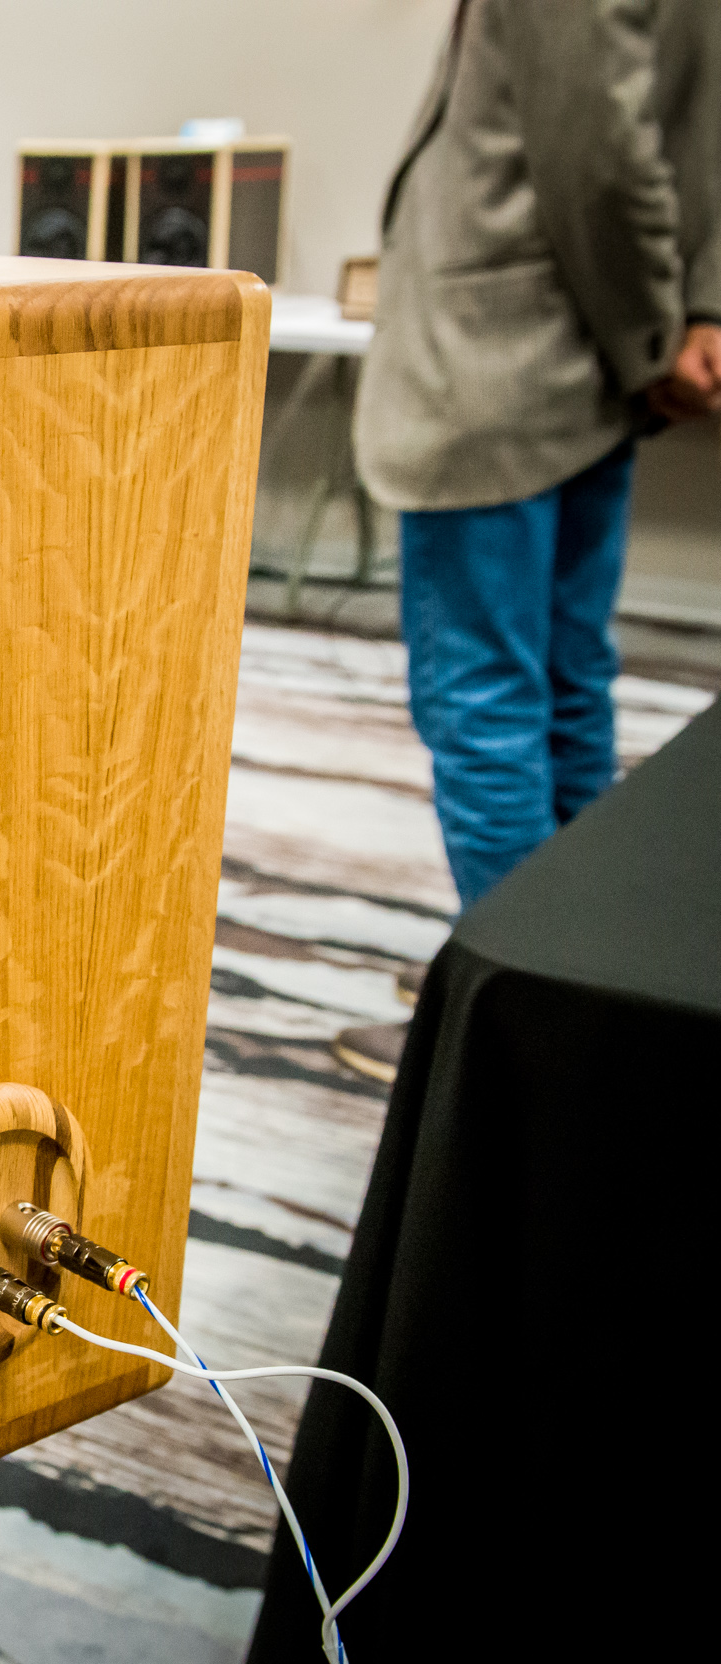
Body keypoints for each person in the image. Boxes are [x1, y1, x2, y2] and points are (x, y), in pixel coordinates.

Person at [331, 0, 720, 1085]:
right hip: (586, 371)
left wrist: (653, 331)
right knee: (561, 685)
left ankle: (521, 1039)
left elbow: (596, 148)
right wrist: (691, 312)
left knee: (488, 700)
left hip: (505, 359)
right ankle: (576, 981)